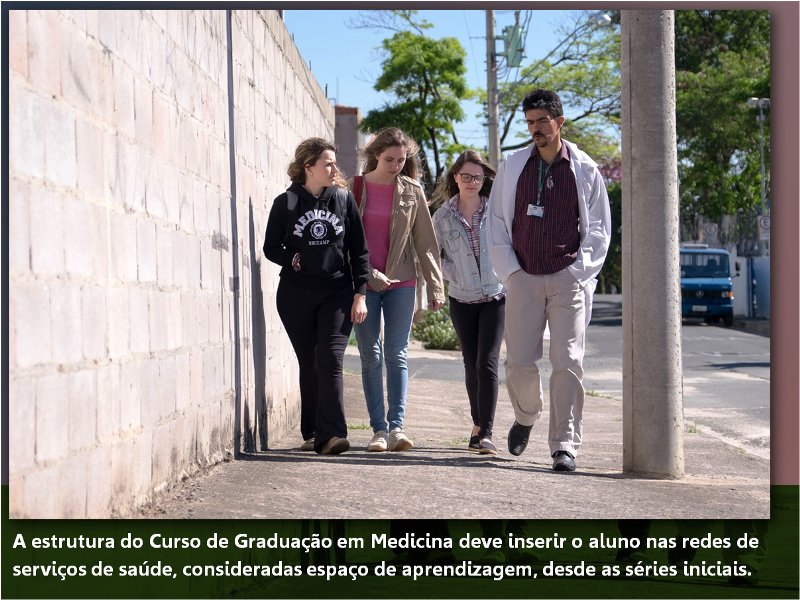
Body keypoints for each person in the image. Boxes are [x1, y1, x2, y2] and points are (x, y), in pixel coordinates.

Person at [486, 89, 611, 472]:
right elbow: (496, 222)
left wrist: (576, 273)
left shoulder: (585, 169)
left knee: (567, 362)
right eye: (530, 122)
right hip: (522, 276)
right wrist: (511, 272)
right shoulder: (513, 166)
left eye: (542, 121)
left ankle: (564, 445)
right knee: (519, 362)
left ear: (559, 122)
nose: (535, 129)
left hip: (566, 277)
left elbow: (600, 229)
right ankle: (526, 416)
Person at [263, 138, 370, 455]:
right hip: (296, 295)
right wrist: (292, 260)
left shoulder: (344, 200)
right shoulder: (286, 203)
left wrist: (360, 294)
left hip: (337, 292)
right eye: (328, 163)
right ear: (308, 167)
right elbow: (271, 248)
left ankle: (333, 434)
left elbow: (359, 251)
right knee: (310, 363)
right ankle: (312, 431)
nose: (335, 168)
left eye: (334, 163)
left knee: (331, 360)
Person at [349, 127, 446, 452]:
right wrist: (366, 274)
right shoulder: (355, 187)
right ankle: (377, 430)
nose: (395, 166)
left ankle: (397, 429)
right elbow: (345, 240)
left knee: (397, 353)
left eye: (401, 160)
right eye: (389, 159)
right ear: (375, 154)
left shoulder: (412, 190)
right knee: (370, 355)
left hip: (402, 282)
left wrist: (435, 286)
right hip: (363, 284)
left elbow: (426, 243)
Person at [432, 151, 505, 456]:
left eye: (478, 177)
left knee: (486, 363)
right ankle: (476, 425)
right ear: (455, 178)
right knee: (470, 364)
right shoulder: (442, 216)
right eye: (466, 176)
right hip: (461, 298)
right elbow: (432, 257)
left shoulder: (498, 211)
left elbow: (511, 246)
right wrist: (455, 274)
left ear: (485, 179)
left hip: (495, 297)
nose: (472, 182)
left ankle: (486, 433)